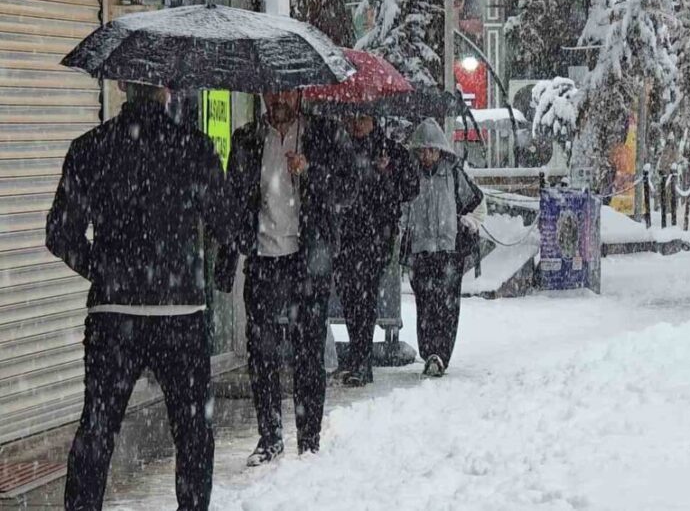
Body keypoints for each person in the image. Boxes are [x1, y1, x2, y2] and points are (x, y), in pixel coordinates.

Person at [47, 82, 230, 511]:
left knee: (97, 429)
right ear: (167, 90)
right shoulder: (195, 149)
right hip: (180, 314)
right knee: (193, 434)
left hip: (114, 315)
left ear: (123, 86)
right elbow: (228, 224)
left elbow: (60, 233)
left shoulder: (90, 147)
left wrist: (105, 271)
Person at [217, 89, 354, 466]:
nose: (278, 99)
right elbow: (232, 203)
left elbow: (350, 188)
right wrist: (227, 260)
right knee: (261, 353)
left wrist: (311, 170)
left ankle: (308, 439)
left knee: (308, 350)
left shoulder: (324, 134)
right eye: (271, 90)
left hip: (306, 258)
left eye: (286, 91)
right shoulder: (246, 140)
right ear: (261, 94)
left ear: (299, 93)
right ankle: (269, 437)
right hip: (263, 258)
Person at [334, 113, 419, 386]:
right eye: (352, 118)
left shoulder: (390, 151)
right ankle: (358, 357)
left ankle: (362, 360)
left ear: (374, 120)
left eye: (363, 119)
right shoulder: (341, 149)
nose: (356, 124)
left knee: (365, 295)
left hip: (376, 236)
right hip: (345, 233)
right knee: (349, 296)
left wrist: (388, 172)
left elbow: (410, 188)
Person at [404, 119, 485, 377]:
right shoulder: (410, 176)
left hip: (449, 251)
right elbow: (402, 208)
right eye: (422, 150)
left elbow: (477, 203)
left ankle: (441, 355)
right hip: (420, 251)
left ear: (440, 150)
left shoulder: (453, 174)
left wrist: (469, 221)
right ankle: (429, 353)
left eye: (431, 150)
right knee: (425, 306)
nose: (426, 155)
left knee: (447, 307)